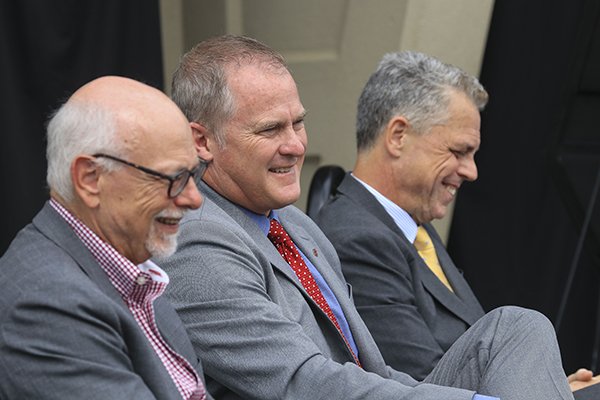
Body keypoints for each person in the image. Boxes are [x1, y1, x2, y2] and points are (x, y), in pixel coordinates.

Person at [160, 34, 578, 400]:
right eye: (270, 130)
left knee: (518, 327)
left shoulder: (296, 225)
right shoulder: (197, 237)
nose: (295, 146)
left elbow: (375, 371)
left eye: (299, 123)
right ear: (202, 141)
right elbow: (302, 383)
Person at [313, 50, 598, 391]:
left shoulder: (414, 231)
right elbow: (421, 385)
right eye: (459, 152)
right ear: (398, 136)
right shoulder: (355, 238)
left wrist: (547, 385)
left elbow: (468, 364)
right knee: (522, 324)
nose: (471, 171)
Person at [0, 76, 212, 400]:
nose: (194, 199)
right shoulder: (48, 304)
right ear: (90, 179)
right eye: (173, 178)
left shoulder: (134, 273)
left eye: (193, 174)